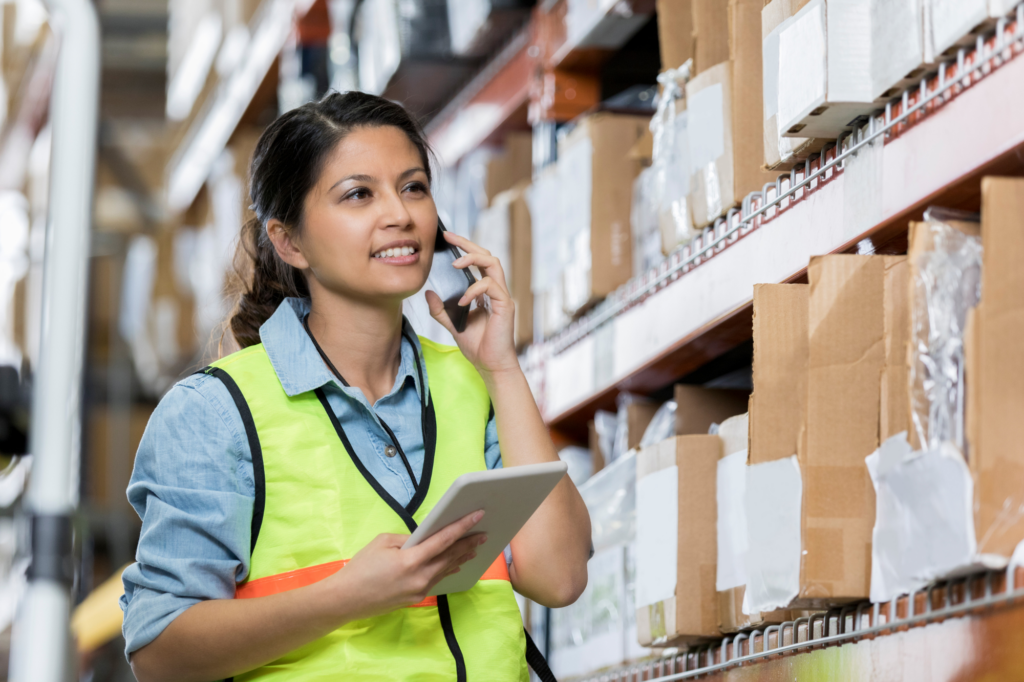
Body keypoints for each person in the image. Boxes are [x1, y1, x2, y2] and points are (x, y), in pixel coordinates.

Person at [120, 91, 591, 682]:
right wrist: (347, 596)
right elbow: (161, 654)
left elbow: (561, 576)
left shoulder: (471, 385)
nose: (400, 213)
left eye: (414, 187)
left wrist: (502, 370)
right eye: (358, 194)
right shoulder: (216, 412)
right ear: (289, 242)